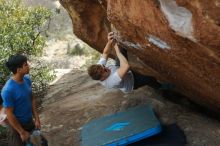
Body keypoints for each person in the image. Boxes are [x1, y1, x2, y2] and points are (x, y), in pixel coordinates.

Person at [87, 32, 174, 93]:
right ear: (102, 78)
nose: (106, 68)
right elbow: (126, 67)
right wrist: (117, 51)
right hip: (132, 82)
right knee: (149, 79)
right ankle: (160, 87)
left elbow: (105, 53)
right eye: (104, 71)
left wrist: (109, 42)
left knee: (122, 49)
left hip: (118, 68)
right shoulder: (111, 82)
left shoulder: (100, 68)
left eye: (103, 67)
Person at [1, 54, 41, 146]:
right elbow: (9, 114)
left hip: (29, 122)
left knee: (39, 143)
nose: (28, 66)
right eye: (25, 64)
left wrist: (36, 118)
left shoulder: (26, 80)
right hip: (16, 127)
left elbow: (32, 98)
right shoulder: (8, 90)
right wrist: (22, 132)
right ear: (18, 70)